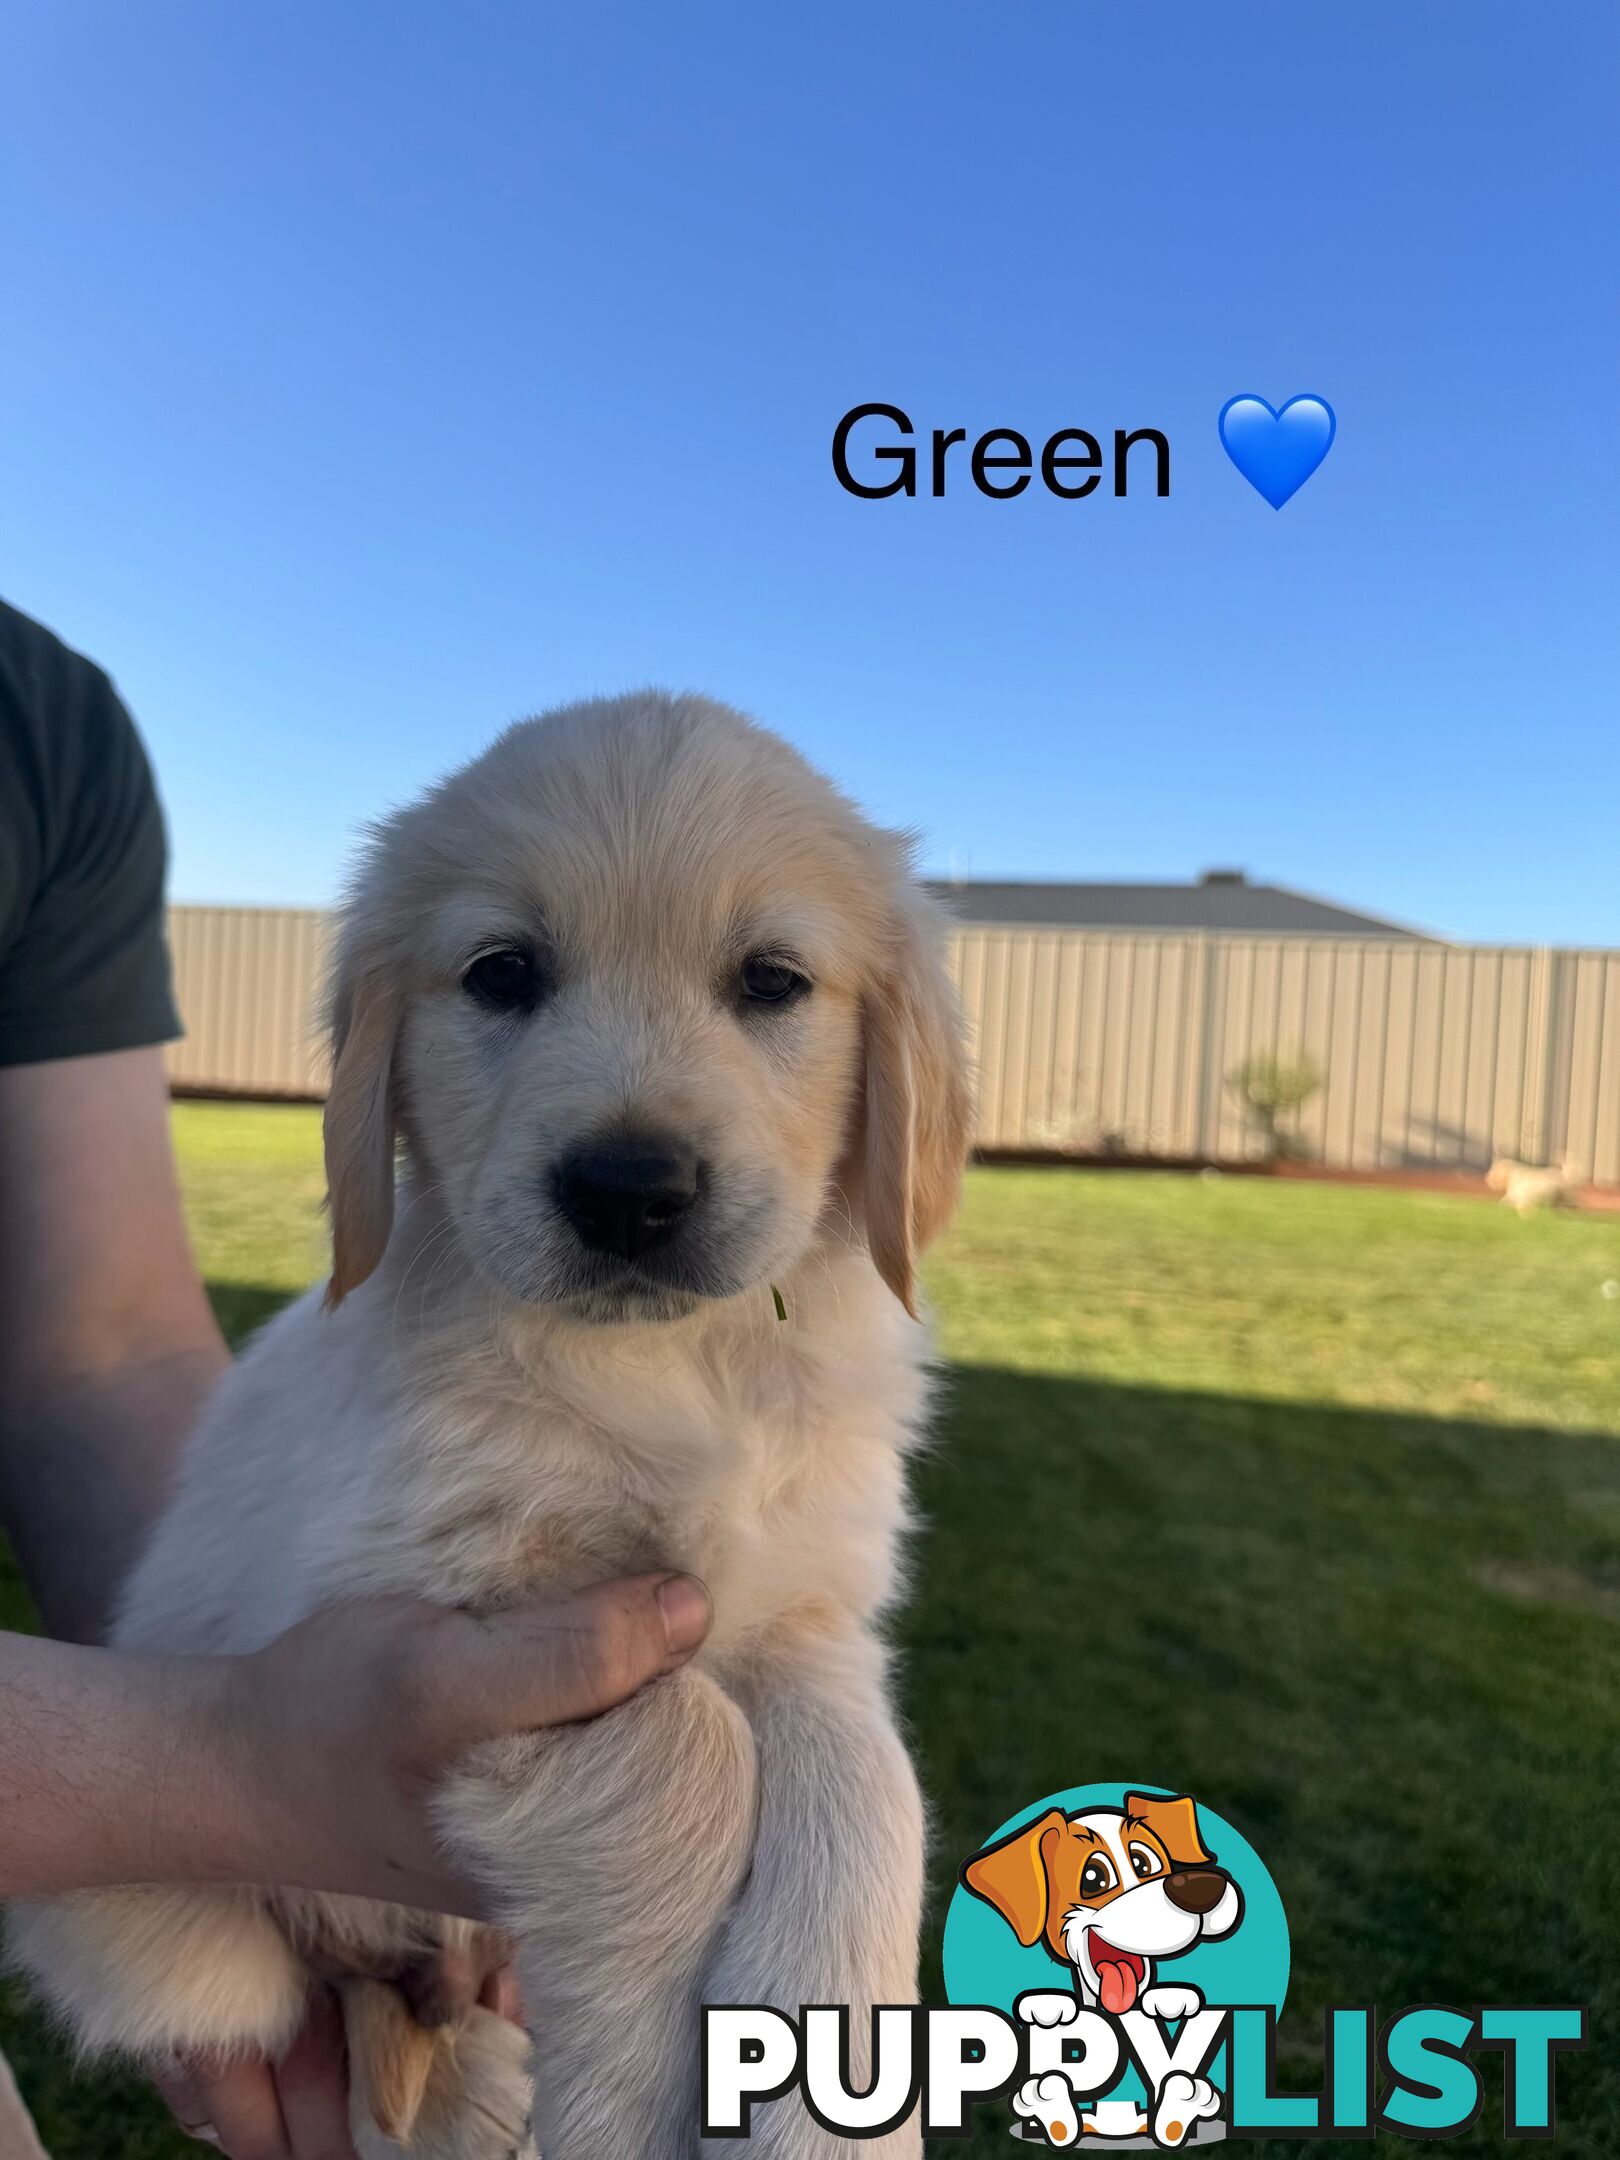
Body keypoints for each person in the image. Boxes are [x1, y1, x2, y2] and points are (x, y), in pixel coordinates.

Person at [0, 597, 711, 2159]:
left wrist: (325, 1816)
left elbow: (92, 1349)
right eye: (508, 973)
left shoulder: (38, 724)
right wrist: (205, 1773)